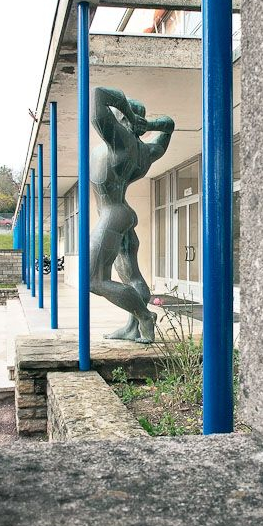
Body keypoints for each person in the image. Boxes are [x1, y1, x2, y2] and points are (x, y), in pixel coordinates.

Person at [89, 86, 174, 343]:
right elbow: (168, 125)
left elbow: (98, 96)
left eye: (119, 114)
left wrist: (126, 110)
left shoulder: (120, 139)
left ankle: (144, 316)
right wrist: (148, 123)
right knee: (131, 275)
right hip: (123, 214)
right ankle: (132, 327)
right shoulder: (143, 152)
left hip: (113, 215)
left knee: (93, 279)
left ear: (124, 118)